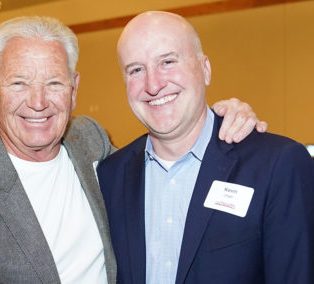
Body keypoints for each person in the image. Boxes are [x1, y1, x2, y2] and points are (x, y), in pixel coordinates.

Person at [0, 16, 264, 283]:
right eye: (19, 83)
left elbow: (167, 156)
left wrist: (222, 116)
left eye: (53, 83)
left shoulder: (90, 141)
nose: (38, 102)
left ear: (74, 89)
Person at [97, 11, 314, 284]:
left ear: (205, 69)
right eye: (136, 70)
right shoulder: (108, 177)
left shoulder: (277, 165)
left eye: (167, 61)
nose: (153, 85)